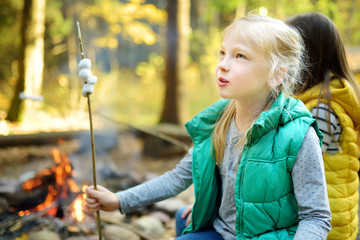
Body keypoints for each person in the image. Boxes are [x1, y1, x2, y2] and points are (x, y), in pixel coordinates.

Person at [84, 14, 332, 239]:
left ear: (276, 75)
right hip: (223, 232)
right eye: (222, 53)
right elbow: (178, 178)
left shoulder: (298, 135)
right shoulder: (218, 122)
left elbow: (316, 218)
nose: (223, 64)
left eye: (240, 56)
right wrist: (118, 200)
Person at [286, 12, 360, 240]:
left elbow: (305, 169)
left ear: (306, 56)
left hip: (327, 229)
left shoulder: (322, 110)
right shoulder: (324, 100)